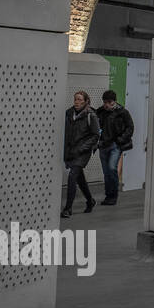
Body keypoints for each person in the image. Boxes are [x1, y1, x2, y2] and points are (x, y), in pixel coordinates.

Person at [62, 90, 100, 218]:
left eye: (79, 99)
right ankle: (90, 200)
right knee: (79, 178)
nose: (77, 102)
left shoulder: (91, 115)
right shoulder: (69, 113)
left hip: (83, 151)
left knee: (72, 176)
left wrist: (82, 148)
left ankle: (68, 208)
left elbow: (95, 135)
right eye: (75, 99)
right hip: (71, 151)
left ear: (86, 101)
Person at [96, 89, 135, 206]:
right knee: (106, 172)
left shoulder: (122, 112)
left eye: (109, 102)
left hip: (115, 146)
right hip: (103, 145)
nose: (107, 105)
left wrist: (120, 140)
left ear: (114, 101)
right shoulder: (100, 112)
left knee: (112, 168)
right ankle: (108, 196)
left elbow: (130, 127)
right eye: (105, 102)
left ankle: (113, 195)